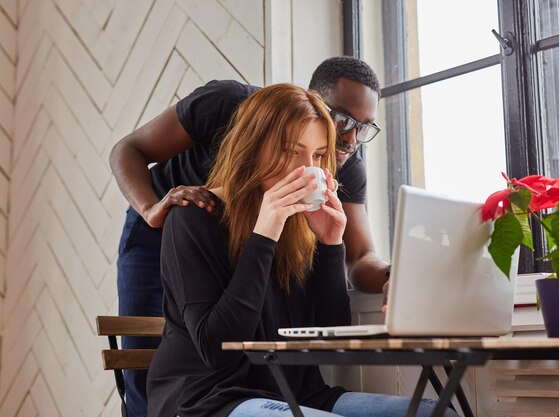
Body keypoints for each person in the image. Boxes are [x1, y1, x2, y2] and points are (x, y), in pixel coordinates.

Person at [146, 84, 456, 417]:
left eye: (319, 155)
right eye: (293, 151)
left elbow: (327, 336)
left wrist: (330, 242)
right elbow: (217, 349)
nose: (308, 168)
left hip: (298, 394)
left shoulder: (301, 224)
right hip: (209, 399)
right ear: (252, 147)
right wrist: (264, 233)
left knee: (437, 413)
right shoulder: (193, 216)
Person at [110, 56, 390, 417]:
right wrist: (151, 209)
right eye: (342, 121)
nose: (350, 139)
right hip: (167, 220)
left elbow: (358, 262)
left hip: (262, 240)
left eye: (363, 128)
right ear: (313, 100)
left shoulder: (334, 175)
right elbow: (127, 149)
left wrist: (343, 249)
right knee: (151, 363)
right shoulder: (228, 105)